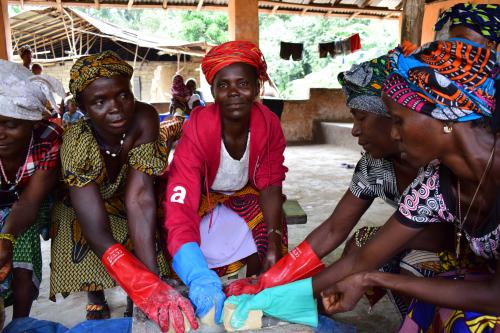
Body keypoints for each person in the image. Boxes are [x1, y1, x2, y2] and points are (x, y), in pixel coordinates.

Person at [225, 55, 455, 320]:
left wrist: (299, 287)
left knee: (405, 261)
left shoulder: (436, 166)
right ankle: (321, 306)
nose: (355, 131)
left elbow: (442, 236)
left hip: (456, 253)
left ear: (392, 118)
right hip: (411, 235)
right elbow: (334, 228)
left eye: (361, 118)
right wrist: (275, 278)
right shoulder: (374, 167)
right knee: (361, 244)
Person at [49, 51, 197, 332]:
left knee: (151, 214)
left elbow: (140, 198)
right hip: (84, 203)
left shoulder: (144, 119)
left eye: (123, 95)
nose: (116, 108)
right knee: (73, 220)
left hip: (126, 195)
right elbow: (96, 229)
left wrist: (150, 281)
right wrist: (138, 280)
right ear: (82, 106)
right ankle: (96, 293)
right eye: (99, 101)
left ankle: (140, 287)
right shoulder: (76, 140)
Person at [163, 40, 289, 324]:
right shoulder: (197, 127)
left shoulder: (268, 124)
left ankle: (254, 288)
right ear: (213, 91)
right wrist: (197, 273)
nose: (233, 92)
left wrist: (273, 243)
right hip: (202, 197)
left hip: (243, 195)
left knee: (272, 220)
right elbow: (180, 197)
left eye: (243, 83)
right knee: (170, 225)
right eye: (223, 85)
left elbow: (270, 183)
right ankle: (197, 287)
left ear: (257, 88)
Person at [0, 60, 63, 324]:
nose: (0, 133)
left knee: (23, 262)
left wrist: (5, 239)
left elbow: (29, 202)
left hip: (25, 206)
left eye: (11, 125)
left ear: (32, 123)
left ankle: (20, 325)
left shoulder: (48, 137)